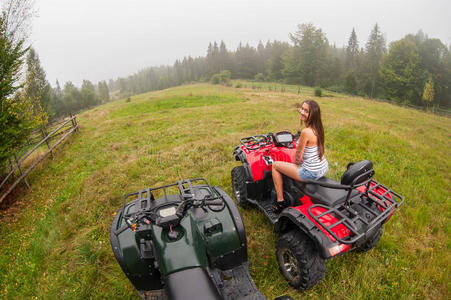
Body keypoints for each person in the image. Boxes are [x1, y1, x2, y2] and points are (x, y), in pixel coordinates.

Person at [272, 99, 328, 213]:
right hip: (323, 168)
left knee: (275, 165)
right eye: (302, 108)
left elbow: (297, 158)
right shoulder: (318, 128)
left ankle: (280, 201)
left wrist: (295, 164)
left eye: (306, 111)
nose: (302, 112)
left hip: (311, 172)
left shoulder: (306, 132)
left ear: (313, 115)